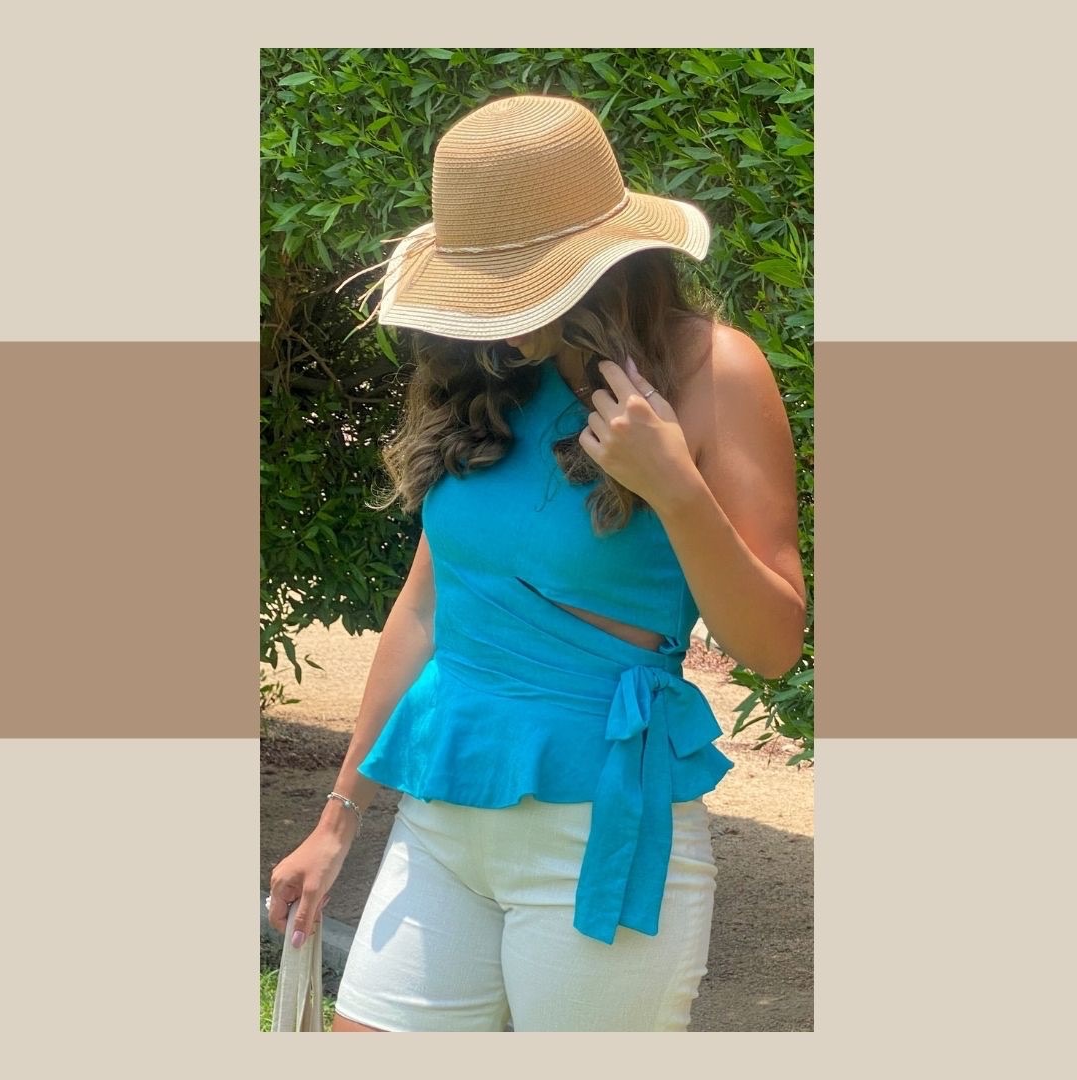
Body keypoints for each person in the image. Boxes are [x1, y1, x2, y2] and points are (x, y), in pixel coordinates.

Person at [266, 93, 806, 1032]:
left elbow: (771, 642)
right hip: (443, 811)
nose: (495, 315)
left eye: (517, 286)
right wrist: (337, 817)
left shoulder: (717, 372)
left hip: (602, 828)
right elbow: (426, 609)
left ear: (605, 264)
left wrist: (676, 489)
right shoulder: (486, 373)